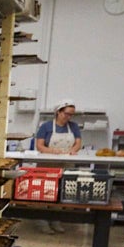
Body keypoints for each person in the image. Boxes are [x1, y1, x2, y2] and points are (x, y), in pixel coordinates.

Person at [34, 100, 83, 233]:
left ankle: (56, 221)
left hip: (65, 164)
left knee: (60, 193)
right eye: (66, 113)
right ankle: (42, 222)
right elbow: (39, 146)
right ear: (58, 112)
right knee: (45, 193)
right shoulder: (46, 126)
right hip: (47, 164)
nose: (69, 117)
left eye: (71, 114)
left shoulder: (73, 127)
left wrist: (73, 151)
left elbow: (78, 143)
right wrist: (52, 151)